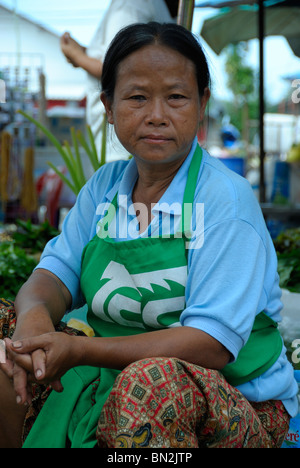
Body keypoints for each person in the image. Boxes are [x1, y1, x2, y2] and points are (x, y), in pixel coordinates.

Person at [0, 22, 298, 449]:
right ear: (108, 105)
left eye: (176, 97)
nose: (157, 115)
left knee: (150, 385)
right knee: (8, 337)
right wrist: (32, 326)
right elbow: (54, 273)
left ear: (201, 105)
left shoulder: (224, 201)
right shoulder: (104, 187)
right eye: (137, 97)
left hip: (239, 404)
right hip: (110, 375)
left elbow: (210, 344)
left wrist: (81, 352)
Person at [60, 0, 178, 160]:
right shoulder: (153, 5)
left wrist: (78, 57)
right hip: (136, 136)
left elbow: (119, 69)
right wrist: (84, 54)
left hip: (120, 141)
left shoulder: (130, 4)